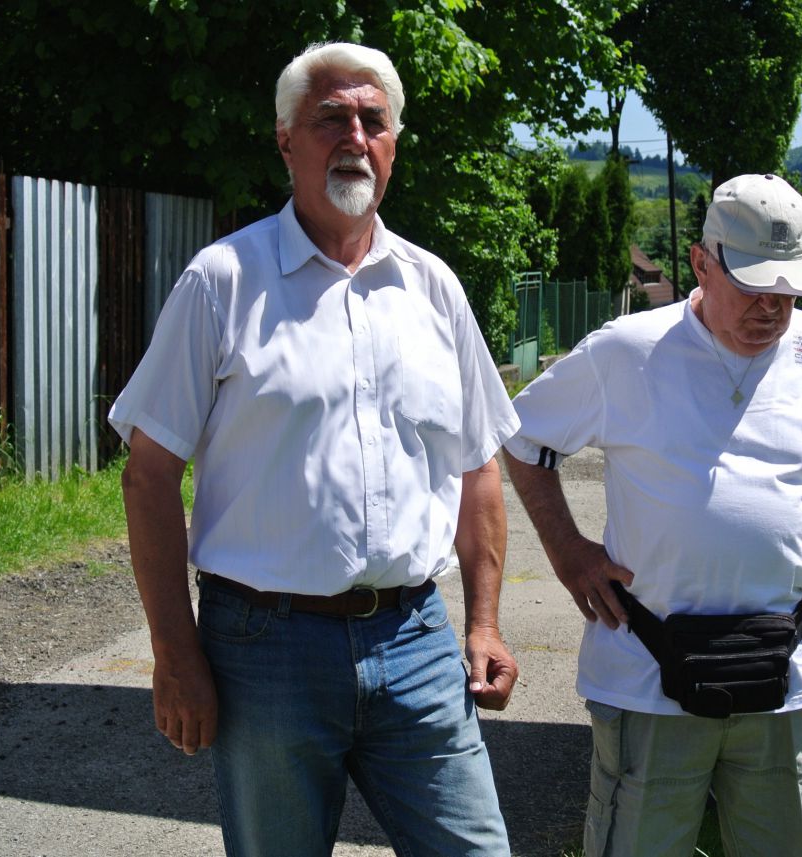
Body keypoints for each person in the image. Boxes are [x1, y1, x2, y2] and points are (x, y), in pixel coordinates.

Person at [109, 42, 518, 857]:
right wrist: (174, 652)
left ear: (393, 145)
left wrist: (485, 623)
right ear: (286, 140)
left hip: (415, 641)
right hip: (267, 650)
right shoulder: (223, 281)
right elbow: (149, 475)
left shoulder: (434, 288)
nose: (355, 138)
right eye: (331, 119)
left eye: (373, 121)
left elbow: (478, 468)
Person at [504, 173, 802, 857]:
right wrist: (567, 549)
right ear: (701, 262)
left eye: (788, 291)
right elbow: (522, 437)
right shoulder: (627, 351)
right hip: (648, 682)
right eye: (752, 286)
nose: (771, 308)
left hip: (792, 684)